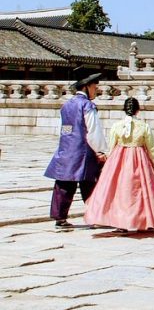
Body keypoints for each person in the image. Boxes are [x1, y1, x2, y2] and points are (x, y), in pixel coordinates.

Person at [85, 97, 154, 232]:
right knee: (139, 192)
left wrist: (109, 164)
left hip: (119, 160)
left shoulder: (116, 126)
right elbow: (152, 149)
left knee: (120, 191)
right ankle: (143, 221)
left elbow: (111, 146)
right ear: (138, 110)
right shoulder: (144, 126)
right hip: (139, 160)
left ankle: (121, 222)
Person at [44, 73, 108, 229]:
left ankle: (60, 217)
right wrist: (100, 150)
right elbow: (93, 130)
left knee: (64, 184)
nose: (96, 91)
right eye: (94, 87)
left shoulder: (67, 105)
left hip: (66, 149)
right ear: (86, 87)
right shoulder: (87, 105)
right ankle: (96, 216)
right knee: (90, 185)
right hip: (83, 151)